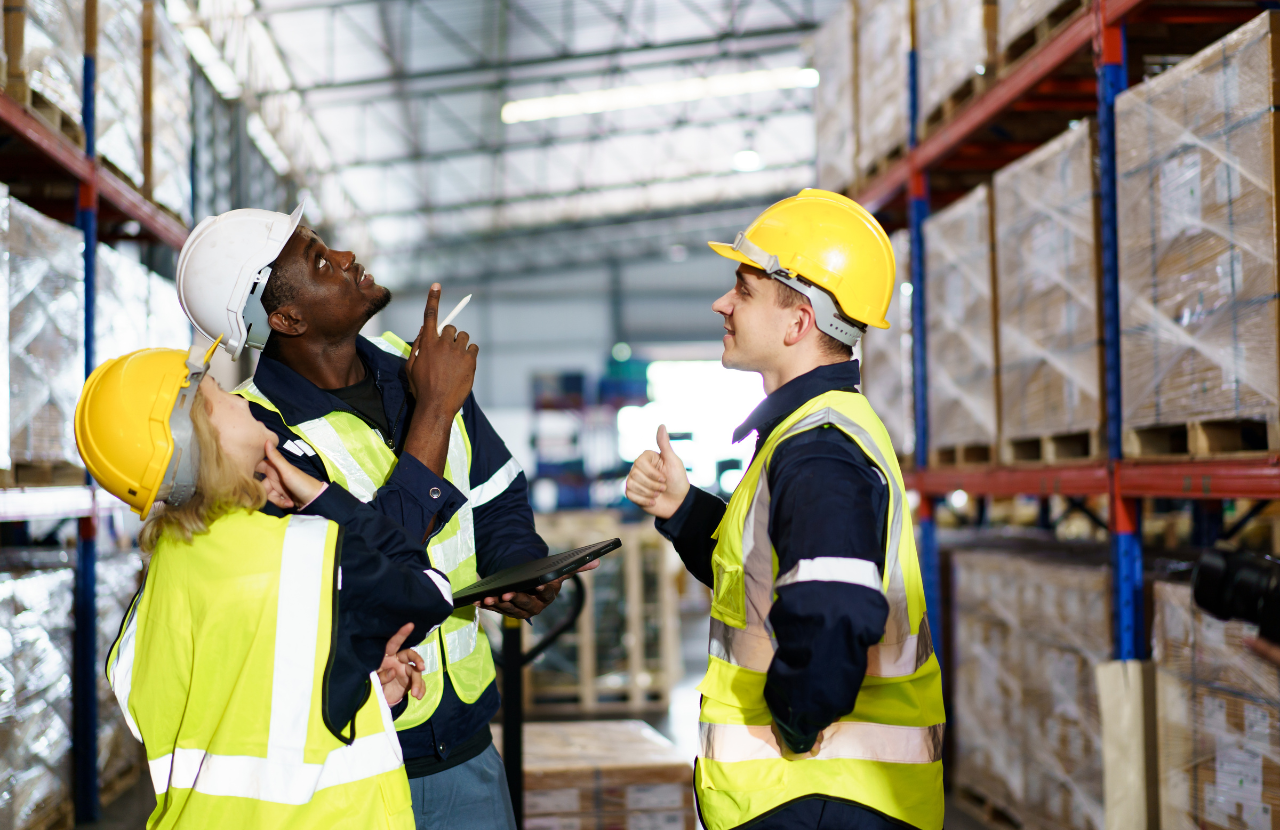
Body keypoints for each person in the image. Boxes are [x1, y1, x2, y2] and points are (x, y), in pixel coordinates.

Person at [173, 206, 578, 830]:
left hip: (466, 743)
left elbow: (498, 494)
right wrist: (436, 411)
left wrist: (518, 565)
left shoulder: (412, 367)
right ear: (286, 317)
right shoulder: (258, 438)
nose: (344, 259)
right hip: (357, 757)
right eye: (318, 260)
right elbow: (365, 576)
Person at [625, 189, 946, 830]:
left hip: (816, 796)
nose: (722, 304)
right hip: (818, 796)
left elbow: (832, 612)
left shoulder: (819, 448)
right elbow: (760, 584)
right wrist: (684, 509)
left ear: (798, 322)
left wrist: (796, 724)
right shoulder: (805, 434)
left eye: (742, 291)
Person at [77, 341, 460, 828]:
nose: (243, 400)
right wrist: (322, 496)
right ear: (199, 436)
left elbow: (230, 712)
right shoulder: (312, 551)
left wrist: (356, 682)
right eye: (218, 392)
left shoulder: (163, 579)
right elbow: (431, 592)